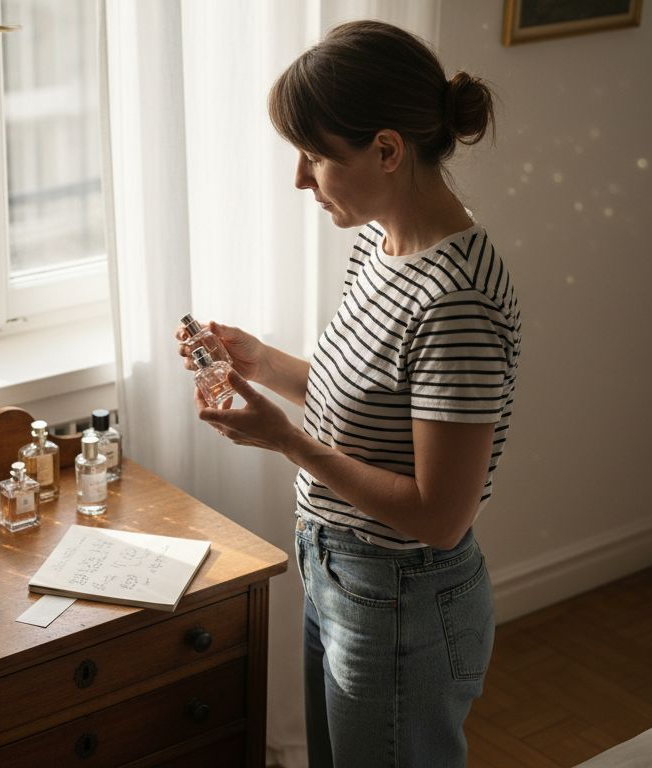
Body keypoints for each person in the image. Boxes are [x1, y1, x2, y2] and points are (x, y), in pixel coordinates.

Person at [176, 19, 521, 768]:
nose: (300, 180)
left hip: (402, 597)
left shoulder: (456, 302)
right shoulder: (379, 244)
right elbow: (362, 403)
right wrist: (261, 362)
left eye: (313, 157)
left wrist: (288, 442)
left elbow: (439, 516)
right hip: (339, 569)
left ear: (387, 150)